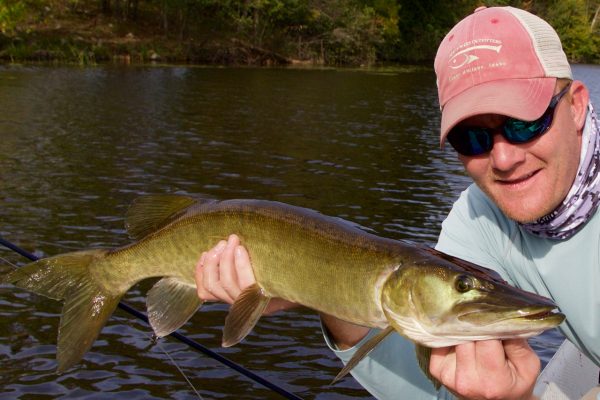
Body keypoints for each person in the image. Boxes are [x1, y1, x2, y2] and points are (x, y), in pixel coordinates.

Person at [194, 6, 599, 399]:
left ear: (577, 104)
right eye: (471, 138)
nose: (504, 159)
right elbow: (436, 388)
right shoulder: (477, 221)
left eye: (525, 123)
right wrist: (320, 287)